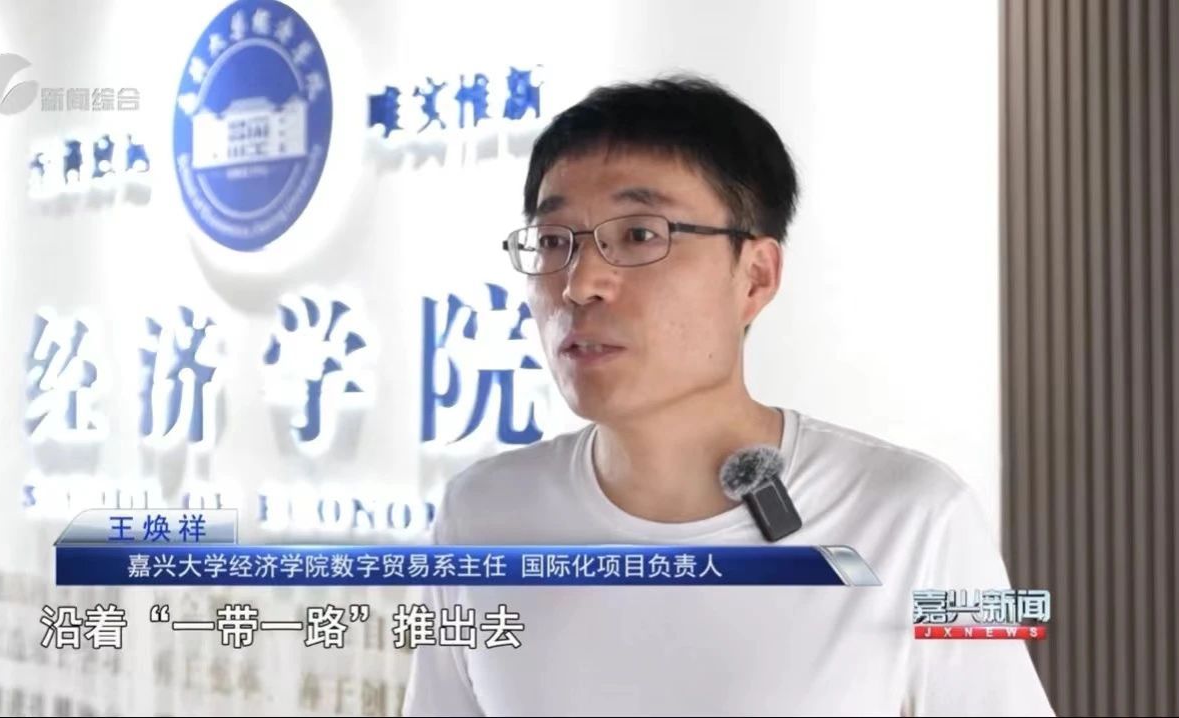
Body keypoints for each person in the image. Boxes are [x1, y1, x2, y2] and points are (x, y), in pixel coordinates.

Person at [401, 75, 1055, 717]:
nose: (580, 283)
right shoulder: (481, 516)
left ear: (756, 276)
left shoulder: (917, 518)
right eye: (553, 241)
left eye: (640, 235)